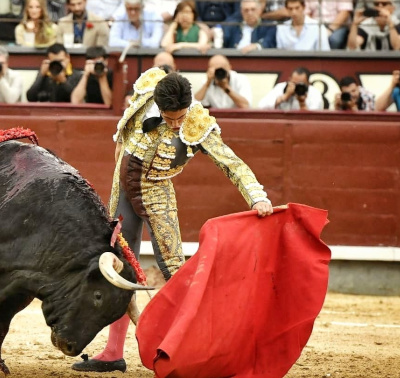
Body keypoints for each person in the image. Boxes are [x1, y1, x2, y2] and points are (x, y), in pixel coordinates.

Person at [72, 67, 273, 374]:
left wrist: (257, 196)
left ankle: (193, 347)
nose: (177, 124)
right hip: (122, 187)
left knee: (175, 270)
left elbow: (231, 163)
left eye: (180, 117)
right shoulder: (147, 90)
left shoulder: (197, 123)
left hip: (157, 191)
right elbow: (123, 135)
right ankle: (113, 351)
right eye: (170, 118)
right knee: (117, 265)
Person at [258, 67, 324, 110]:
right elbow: (261, 107)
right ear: (289, 80)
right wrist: (284, 97)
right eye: (294, 83)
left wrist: (302, 103)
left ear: (308, 84)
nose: (296, 87)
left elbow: (312, 119)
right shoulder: (280, 87)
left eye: (300, 84)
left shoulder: (315, 93)